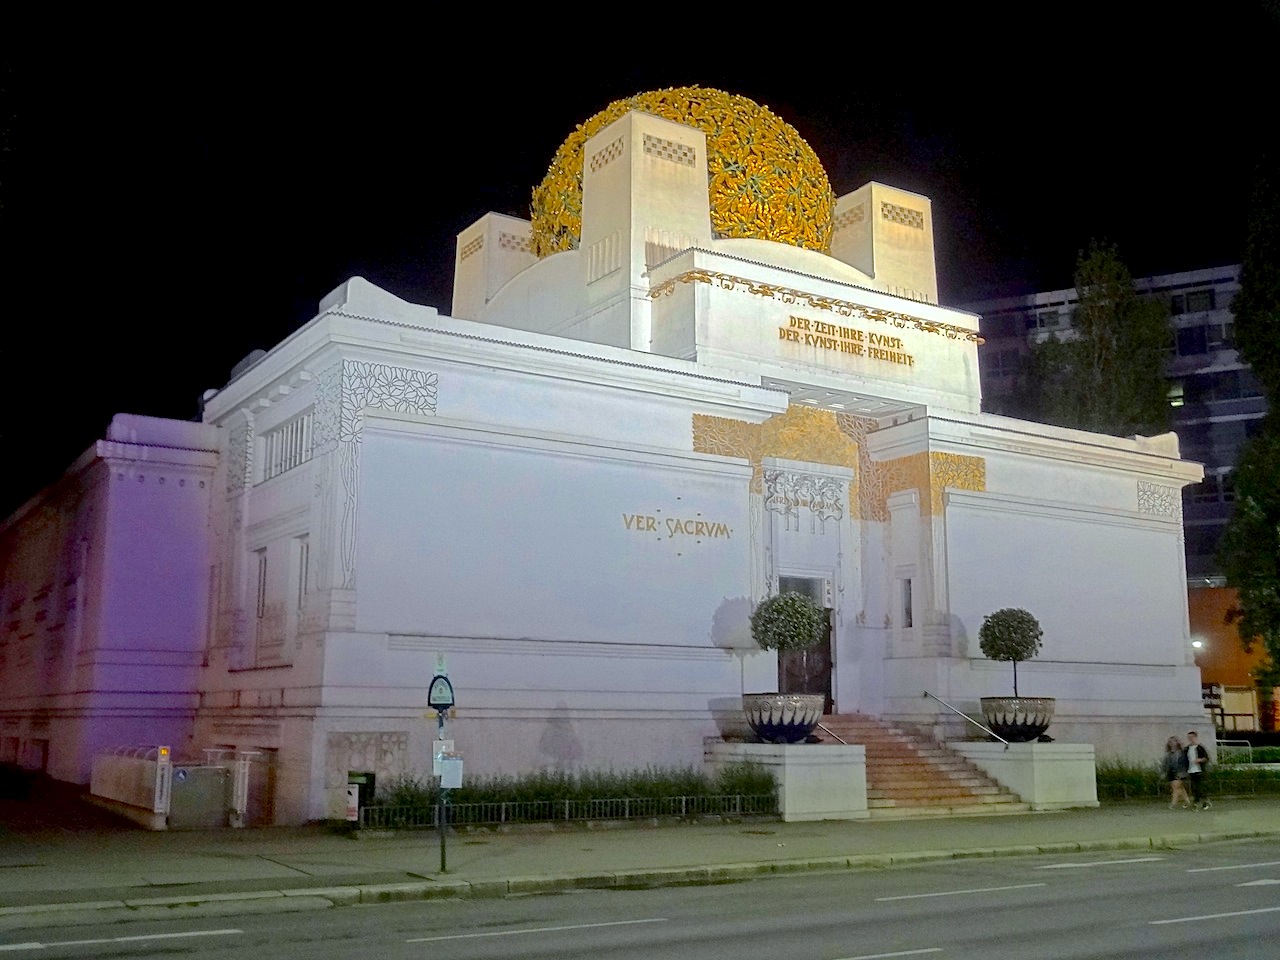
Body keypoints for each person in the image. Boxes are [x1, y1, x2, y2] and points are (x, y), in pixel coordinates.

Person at [1161, 736, 1190, 809]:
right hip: (1171, 773)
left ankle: (1173, 803)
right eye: (1170, 742)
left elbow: (1185, 763)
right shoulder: (1169, 754)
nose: (1172, 743)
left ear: (1177, 743)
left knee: (1175, 787)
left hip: (1180, 772)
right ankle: (1188, 802)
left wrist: (1184, 772)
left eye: (1174, 741)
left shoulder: (1181, 753)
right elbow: (1165, 764)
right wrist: (1164, 772)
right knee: (1180, 788)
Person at [1185, 730, 1211, 810]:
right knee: (1194, 787)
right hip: (1191, 770)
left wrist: (1199, 760)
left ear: (1196, 737)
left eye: (1192, 737)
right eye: (1189, 738)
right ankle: (1201, 802)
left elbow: (1206, 758)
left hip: (1199, 770)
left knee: (1199, 787)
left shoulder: (1200, 748)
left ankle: (1200, 802)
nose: (1191, 739)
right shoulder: (1187, 749)